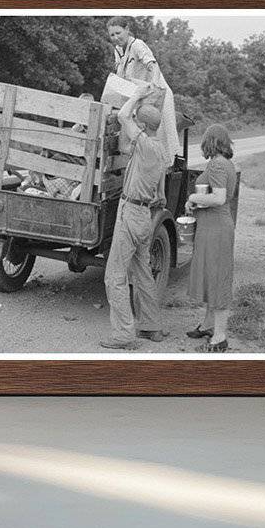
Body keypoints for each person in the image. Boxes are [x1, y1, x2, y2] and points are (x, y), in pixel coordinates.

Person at [100, 83, 170, 350]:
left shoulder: (145, 145)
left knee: (114, 275)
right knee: (142, 274)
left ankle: (123, 334)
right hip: (144, 216)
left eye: (138, 124)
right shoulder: (160, 150)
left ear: (142, 126)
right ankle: (151, 326)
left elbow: (121, 116)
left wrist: (138, 95)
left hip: (130, 213)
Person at [185, 123, 237, 353]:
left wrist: (193, 197)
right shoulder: (227, 164)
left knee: (217, 280)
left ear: (210, 142)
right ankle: (208, 325)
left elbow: (218, 198)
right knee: (211, 276)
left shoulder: (216, 164)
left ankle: (220, 335)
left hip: (216, 228)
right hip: (214, 227)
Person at [106, 17, 183, 167]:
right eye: (112, 35)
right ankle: (140, 167)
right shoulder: (118, 50)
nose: (116, 38)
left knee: (159, 135)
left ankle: (162, 169)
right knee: (139, 133)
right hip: (141, 95)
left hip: (158, 95)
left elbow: (153, 66)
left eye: (118, 33)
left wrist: (153, 84)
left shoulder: (138, 45)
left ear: (127, 29)